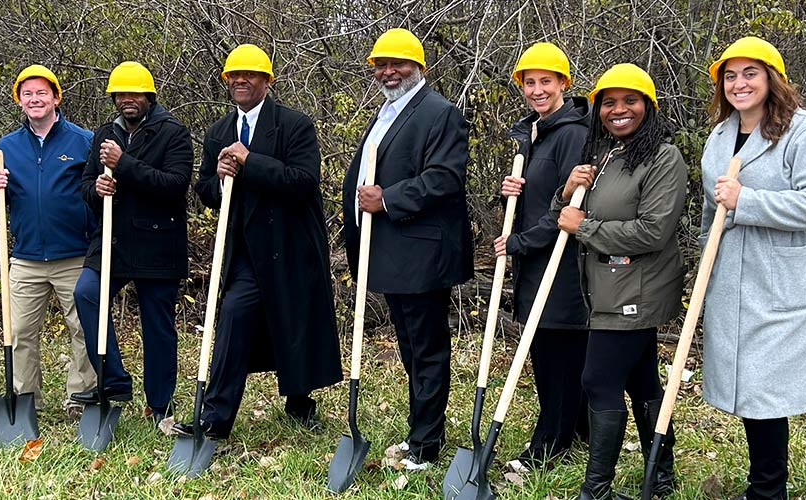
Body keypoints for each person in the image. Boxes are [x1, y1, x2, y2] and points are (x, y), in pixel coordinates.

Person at [176, 44, 342, 439]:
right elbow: (205, 192)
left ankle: (300, 403)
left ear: (267, 81)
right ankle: (215, 419)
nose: (240, 80)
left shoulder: (294, 124)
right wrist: (218, 179)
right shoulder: (218, 132)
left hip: (291, 244)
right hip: (246, 252)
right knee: (233, 319)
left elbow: (303, 182)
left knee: (294, 323)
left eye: (250, 74)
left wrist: (251, 161)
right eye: (234, 75)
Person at [700, 37, 806, 500]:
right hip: (732, 277)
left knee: (765, 391)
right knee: (747, 389)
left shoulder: (805, 131)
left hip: (781, 279)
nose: (739, 84)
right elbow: (709, 209)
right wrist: (705, 262)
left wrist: (748, 200)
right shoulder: (719, 136)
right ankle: (763, 485)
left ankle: (767, 491)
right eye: (730, 76)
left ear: (771, 78)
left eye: (750, 73)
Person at [552, 63, 687, 499]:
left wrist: (585, 227)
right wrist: (566, 188)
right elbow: (568, 213)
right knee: (642, 379)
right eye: (608, 103)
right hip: (604, 286)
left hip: (637, 288)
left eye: (630, 101)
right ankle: (661, 478)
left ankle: (597, 491)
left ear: (649, 105)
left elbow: (654, 230)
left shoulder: (663, 157)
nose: (618, 110)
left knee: (598, 380)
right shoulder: (605, 152)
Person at [341, 28, 472, 471]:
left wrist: (389, 199)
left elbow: (445, 177)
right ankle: (420, 430)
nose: (388, 71)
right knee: (410, 347)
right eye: (382, 64)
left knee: (427, 347)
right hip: (392, 252)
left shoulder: (440, 113)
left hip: (421, 255)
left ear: (419, 67)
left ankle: (426, 445)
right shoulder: (387, 110)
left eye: (398, 63)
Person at [71, 62, 193, 426]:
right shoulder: (104, 134)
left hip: (158, 243)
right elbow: (85, 184)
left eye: (134, 94)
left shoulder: (173, 133)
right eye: (121, 94)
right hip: (111, 239)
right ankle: (114, 381)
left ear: (148, 96)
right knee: (86, 294)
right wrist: (96, 189)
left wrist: (124, 165)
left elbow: (175, 186)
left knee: (157, 326)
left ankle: (160, 405)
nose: (127, 100)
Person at [494, 42, 590, 472]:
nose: (536, 90)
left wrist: (519, 242)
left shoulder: (572, 133)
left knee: (557, 355)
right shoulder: (532, 132)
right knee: (550, 352)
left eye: (545, 82)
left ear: (563, 84)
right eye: (529, 82)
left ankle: (549, 445)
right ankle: (581, 430)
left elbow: (568, 209)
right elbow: (537, 199)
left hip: (563, 265)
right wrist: (508, 197)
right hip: (534, 262)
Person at [0, 65, 97, 419]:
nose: (35, 99)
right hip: (26, 257)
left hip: (74, 254)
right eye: (27, 94)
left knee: (82, 329)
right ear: (19, 101)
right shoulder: (6, 147)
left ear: (56, 98)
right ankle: (26, 399)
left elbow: (97, 190)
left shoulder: (82, 141)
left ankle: (80, 398)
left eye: (42, 93)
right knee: (18, 333)